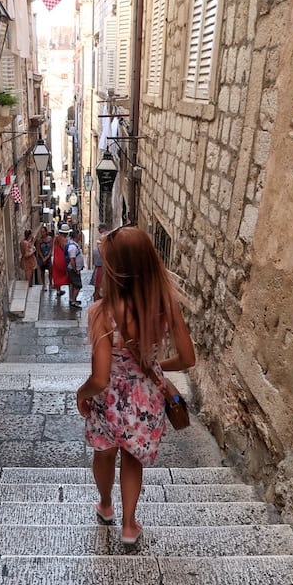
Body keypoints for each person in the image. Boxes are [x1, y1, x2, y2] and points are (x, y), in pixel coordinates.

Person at [76, 227, 195, 545]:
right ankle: (129, 527)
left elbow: (100, 378)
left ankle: (105, 505)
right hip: (145, 402)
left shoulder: (102, 314)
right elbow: (187, 359)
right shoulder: (165, 306)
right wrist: (156, 367)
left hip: (109, 402)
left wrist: (81, 394)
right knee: (131, 459)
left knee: (104, 454)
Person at [66, 229, 84, 307]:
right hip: (73, 269)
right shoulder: (73, 247)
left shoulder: (74, 245)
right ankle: (73, 301)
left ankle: (72, 299)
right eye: (79, 235)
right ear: (76, 236)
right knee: (78, 285)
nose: (80, 236)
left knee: (72, 284)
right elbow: (72, 259)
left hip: (74, 269)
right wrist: (75, 269)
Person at [53, 223, 71, 297]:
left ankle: (58, 290)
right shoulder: (64, 240)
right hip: (62, 259)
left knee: (56, 274)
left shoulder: (57, 238)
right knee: (68, 275)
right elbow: (65, 249)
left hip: (56, 258)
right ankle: (71, 295)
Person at [91, 223, 108, 302]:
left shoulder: (103, 238)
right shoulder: (105, 236)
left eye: (99, 229)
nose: (98, 231)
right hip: (101, 266)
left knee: (98, 288)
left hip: (101, 267)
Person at [35, 225, 53, 290]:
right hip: (41, 257)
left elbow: (51, 248)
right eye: (41, 232)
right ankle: (44, 284)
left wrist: (47, 256)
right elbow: (38, 250)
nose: (42, 233)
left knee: (50, 271)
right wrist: (43, 258)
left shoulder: (50, 238)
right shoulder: (39, 240)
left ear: (46, 232)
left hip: (48, 257)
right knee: (42, 271)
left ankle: (51, 283)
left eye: (43, 232)